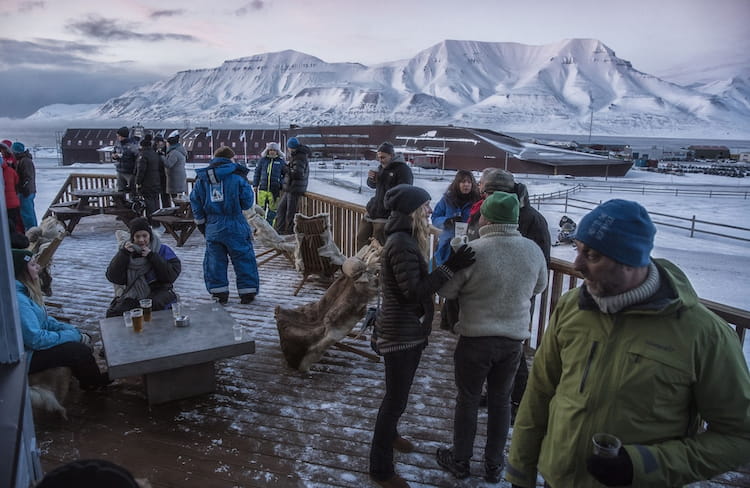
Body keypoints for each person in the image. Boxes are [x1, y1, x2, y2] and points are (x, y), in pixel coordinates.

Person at [506, 199, 750, 488]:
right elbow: (540, 393)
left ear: (631, 261)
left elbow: (738, 436)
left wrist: (643, 466)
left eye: (592, 255)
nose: (577, 265)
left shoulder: (704, 334)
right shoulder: (573, 307)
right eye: (578, 249)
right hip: (556, 479)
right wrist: (520, 473)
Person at [435, 191, 548, 483]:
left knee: (468, 400)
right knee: (501, 401)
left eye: (482, 213)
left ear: (489, 217)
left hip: (474, 339)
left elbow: (446, 292)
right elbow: (539, 286)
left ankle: (460, 461)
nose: (479, 217)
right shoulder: (533, 251)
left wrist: (454, 261)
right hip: (512, 342)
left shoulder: (474, 250)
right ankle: (494, 466)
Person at [369, 184, 476, 488]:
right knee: (394, 401)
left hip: (406, 329)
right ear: (413, 211)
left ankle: (390, 436)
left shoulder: (403, 239)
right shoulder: (402, 243)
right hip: (400, 333)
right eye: (426, 206)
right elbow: (413, 291)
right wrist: (449, 267)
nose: (430, 211)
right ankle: (380, 469)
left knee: (396, 398)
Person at [13, 248, 110, 390]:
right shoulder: (19, 301)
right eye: (33, 265)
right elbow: (35, 339)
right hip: (25, 357)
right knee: (78, 350)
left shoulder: (25, 291)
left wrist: (70, 330)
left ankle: (87, 379)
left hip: (31, 348)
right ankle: (93, 383)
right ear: (22, 272)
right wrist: (71, 336)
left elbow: (44, 321)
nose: (38, 267)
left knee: (79, 340)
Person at [190, 146, 259, 304]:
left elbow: (195, 202)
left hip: (213, 225)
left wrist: (201, 223)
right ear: (230, 159)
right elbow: (247, 203)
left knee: (215, 261)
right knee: (243, 259)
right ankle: (247, 292)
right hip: (235, 223)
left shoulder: (202, 178)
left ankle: (219, 293)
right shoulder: (238, 176)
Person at [105, 217, 181, 317]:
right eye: (137, 236)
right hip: (133, 292)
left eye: (144, 236)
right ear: (133, 238)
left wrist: (153, 257)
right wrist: (123, 254)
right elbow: (113, 277)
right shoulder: (127, 252)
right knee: (116, 312)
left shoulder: (162, 249)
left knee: (152, 305)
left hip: (160, 289)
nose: (141, 240)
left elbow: (170, 276)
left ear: (150, 235)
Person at [356, 142, 413, 251]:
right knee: (361, 238)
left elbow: (404, 193)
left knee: (378, 245)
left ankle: (375, 267)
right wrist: (371, 179)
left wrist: (385, 181)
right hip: (373, 211)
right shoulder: (381, 167)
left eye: (383, 157)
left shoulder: (403, 170)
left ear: (391, 155)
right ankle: (360, 265)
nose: (380, 160)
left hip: (387, 214)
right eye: (378, 157)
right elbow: (373, 186)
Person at [431, 170, 480, 266]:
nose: (466, 185)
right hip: (446, 246)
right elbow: (435, 217)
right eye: (463, 182)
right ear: (457, 183)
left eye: (469, 182)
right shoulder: (447, 199)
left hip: (469, 244)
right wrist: (446, 221)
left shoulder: (477, 201)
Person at [274, 137, 309, 235]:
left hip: (295, 189)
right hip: (290, 188)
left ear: (291, 147)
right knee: (281, 208)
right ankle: (280, 231)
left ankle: (289, 234)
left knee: (290, 213)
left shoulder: (300, 157)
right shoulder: (296, 156)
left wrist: (286, 169)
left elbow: (297, 173)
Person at [253, 142, 286, 225]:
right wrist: (255, 185)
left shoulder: (281, 162)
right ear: (267, 151)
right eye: (270, 150)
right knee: (260, 210)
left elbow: (286, 175)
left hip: (274, 191)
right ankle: (260, 227)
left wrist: (281, 183)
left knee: (273, 211)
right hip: (262, 190)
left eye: (274, 150)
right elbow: (257, 173)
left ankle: (270, 227)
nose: (272, 152)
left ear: (277, 151)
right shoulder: (262, 161)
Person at [134, 134, 162, 224]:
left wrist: (138, 182)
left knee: (149, 203)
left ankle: (152, 221)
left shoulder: (143, 155)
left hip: (147, 183)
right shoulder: (155, 154)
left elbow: (141, 170)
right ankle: (158, 220)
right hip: (156, 181)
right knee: (156, 201)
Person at [11, 141, 37, 230]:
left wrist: (25, 188)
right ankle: (31, 231)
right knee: (26, 213)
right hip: (26, 191)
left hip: (26, 192)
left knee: (27, 214)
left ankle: (32, 232)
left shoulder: (25, 161)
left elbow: (28, 177)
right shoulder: (22, 160)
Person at [1, 145, 23, 234]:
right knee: (15, 223)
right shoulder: (11, 170)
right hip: (14, 201)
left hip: (5, 203)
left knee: (7, 226)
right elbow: (16, 181)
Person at [112, 126, 138, 199]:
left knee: (133, 191)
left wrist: (123, 157)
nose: (117, 137)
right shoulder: (117, 143)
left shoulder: (133, 145)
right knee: (120, 191)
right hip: (120, 171)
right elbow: (113, 151)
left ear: (123, 136)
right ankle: (121, 206)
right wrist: (114, 156)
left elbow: (137, 158)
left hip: (130, 172)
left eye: (119, 136)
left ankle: (133, 206)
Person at [164, 129, 188, 201]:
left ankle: (178, 211)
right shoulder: (180, 150)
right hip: (179, 179)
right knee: (178, 198)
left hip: (175, 180)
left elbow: (169, 164)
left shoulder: (174, 153)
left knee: (176, 199)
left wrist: (162, 157)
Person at [153, 133, 171, 208]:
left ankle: (166, 211)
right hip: (157, 176)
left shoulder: (166, 150)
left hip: (163, 176)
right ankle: (158, 212)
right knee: (156, 197)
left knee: (165, 196)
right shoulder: (153, 151)